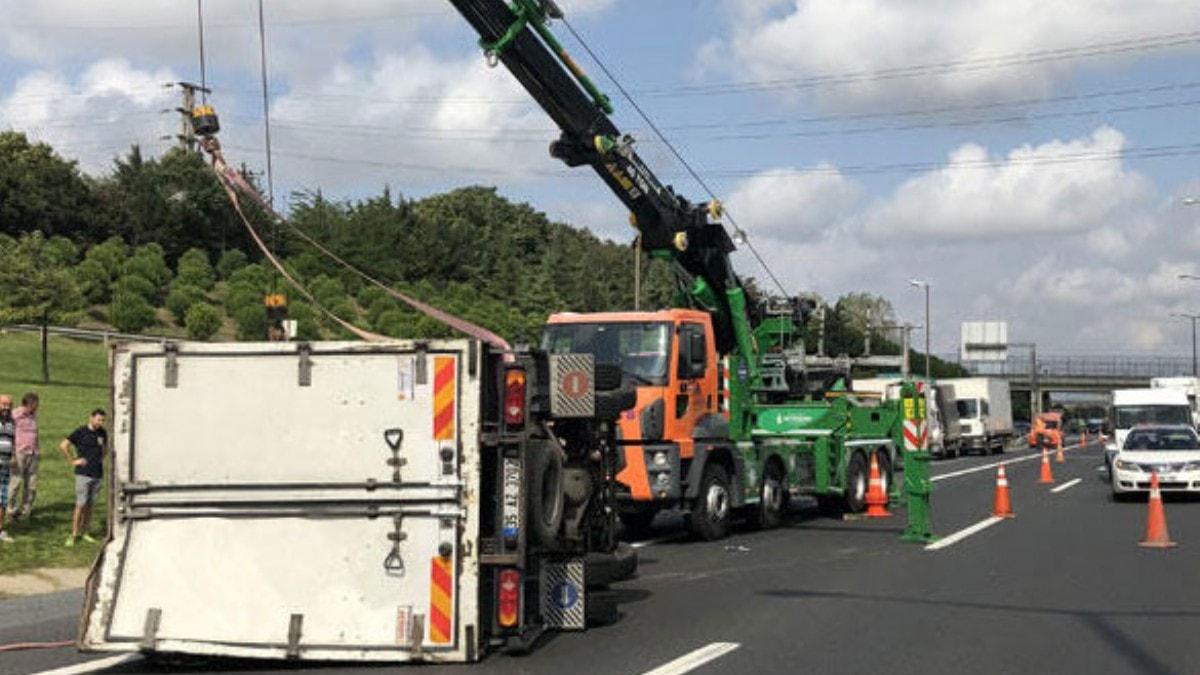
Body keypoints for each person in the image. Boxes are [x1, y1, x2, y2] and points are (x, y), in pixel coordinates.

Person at [60, 409, 107, 547]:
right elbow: (63, 445)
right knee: (80, 504)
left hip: (97, 474)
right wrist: (73, 460)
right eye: (99, 419)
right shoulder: (81, 432)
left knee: (90, 505)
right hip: (83, 474)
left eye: (103, 420)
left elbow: (104, 449)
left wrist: (99, 459)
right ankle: (74, 534)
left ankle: (86, 532)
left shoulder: (102, 433)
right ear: (91, 418)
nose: (101, 422)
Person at [8, 392, 39, 523]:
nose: (37, 407)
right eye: (36, 405)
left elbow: (35, 434)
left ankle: (25, 510)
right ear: (29, 404)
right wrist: (11, 454)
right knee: (15, 482)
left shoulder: (33, 415)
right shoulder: (15, 414)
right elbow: (8, 434)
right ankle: (10, 509)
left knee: (31, 484)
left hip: (33, 453)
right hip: (19, 452)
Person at [0, 395, 14, 542]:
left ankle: (0, 530)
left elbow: (13, 441)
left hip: (5, 465)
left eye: (9, 405)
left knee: (3, 499)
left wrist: (14, 456)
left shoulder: (11, 423)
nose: (6, 408)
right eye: (3, 404)